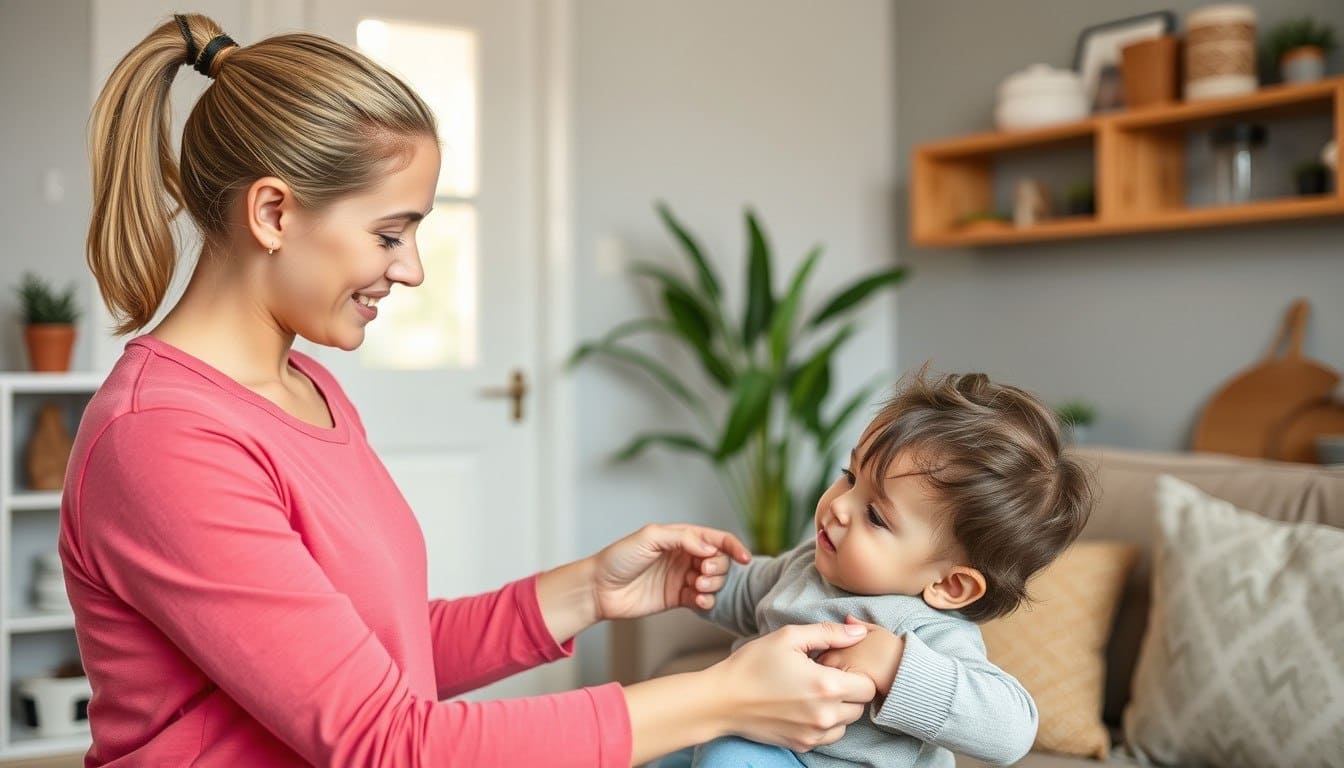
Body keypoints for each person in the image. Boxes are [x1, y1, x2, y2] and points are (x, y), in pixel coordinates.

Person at [63, 14, 878, 766]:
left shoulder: (303, 386)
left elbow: (373, 663)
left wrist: (587, 589)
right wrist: (721, 697)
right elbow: (386, 744)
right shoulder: (163, 439)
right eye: (389, 233)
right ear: (273, 212)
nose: (411, 270)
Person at [686, 369, 1095, 768]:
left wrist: (896, 665)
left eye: (876, 516)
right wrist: (706, 576)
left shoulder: (927, 629)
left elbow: (1012, 731)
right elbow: (747, 594)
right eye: (850, 477)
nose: (840, 507)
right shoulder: (810, 563)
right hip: (756, 734)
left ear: (951, 586)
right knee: (664, 747)